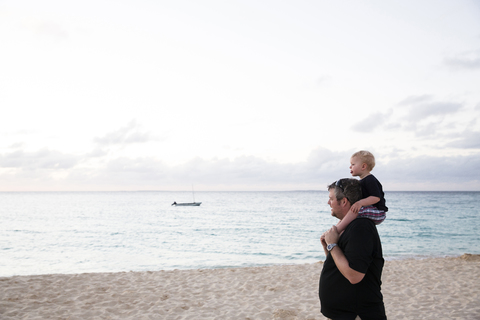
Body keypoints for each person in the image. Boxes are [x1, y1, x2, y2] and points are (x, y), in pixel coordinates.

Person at [319, 178, 386, 320]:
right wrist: (329, 248)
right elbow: (340, 265)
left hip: (357, 314)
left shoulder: (360, 227)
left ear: (344, 201)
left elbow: (354, 275)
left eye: (331, 198)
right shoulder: (348, 227)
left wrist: (333, 245)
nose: (328, 202)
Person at [335, 151, 388, 234]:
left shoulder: (370, 180)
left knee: (354, 211)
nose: (350, 167)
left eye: (353, 164)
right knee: (350, 211)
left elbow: (376, 197)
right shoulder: (363, 180)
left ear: (363, 166)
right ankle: (338, 229)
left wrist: (360, 203)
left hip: (378, 212)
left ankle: (337, 230)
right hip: (370, 210)